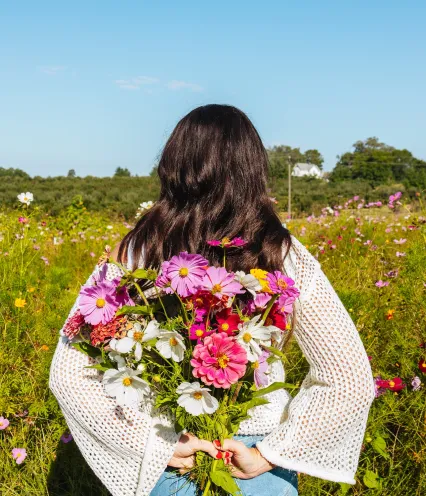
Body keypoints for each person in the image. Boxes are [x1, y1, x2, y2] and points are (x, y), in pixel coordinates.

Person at [50, 104, 375, 496]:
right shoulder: (279, 252)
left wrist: (152, 445)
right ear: (252, 169)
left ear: (175, 165)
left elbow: (70, 375)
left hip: (173, 458)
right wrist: (271, 455)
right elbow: (349, 378)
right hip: (251, 465)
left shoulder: (137, 251)